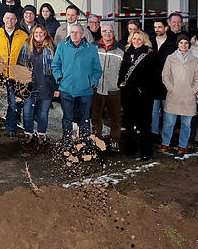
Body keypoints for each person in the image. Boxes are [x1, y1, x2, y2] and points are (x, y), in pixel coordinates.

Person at [52, 24, 102, 145]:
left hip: (85, 90)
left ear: (82, 35)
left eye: (76, 32)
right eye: (72, 32)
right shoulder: (62, 47)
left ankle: (84, 143)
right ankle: (67, 142)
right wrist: (59, 78)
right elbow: (55, 65)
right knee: (67, 118)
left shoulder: (91, 48)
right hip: (67, 89)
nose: (73, 34)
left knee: (84, 119)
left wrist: (93, 83)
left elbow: (97, 70)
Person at [118, 30, 159, 161]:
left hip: (143, 96)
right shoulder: (127, 53)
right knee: (129, 124)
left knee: (144, 125)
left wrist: (140, 88)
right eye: (134, 39)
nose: (136, 41)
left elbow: (153, 76)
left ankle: (146, 152)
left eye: (139, 39)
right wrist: (121, 82)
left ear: (144, 41)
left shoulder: (150, 55)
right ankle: (130, 149)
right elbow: (122, 70)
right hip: (128, 95)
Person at [160, 34, 198, 155]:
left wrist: (193, 90)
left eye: (186, 43)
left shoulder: (194, 60)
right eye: (181, 43)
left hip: (188, 97)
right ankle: (165, 143)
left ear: (189, 45)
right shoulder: (170, 58)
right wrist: (170, 88)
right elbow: (165, 75)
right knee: (169, 123)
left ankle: (182, 145)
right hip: (174, 95)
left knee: (186, 124)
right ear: (178, 44)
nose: (184, 45)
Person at [18, 24, 58, 144]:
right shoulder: (26, 47)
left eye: (41, 33)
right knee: (27, 113)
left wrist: (57, 87)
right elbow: (19, 68)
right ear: (33, 34)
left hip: (46, 86)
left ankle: (41, 135)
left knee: (43, 114)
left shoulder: (51, 47)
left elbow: (57, 69)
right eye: (36, 33)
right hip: (29, 88)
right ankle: (28, 134)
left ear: (45, 34)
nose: (38, 35)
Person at [0, 11, 28, 137]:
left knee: (13, 103)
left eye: (12, 19)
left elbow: (26, 55)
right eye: (7, 18)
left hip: (15, 76)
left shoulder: (23, 36)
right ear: (3, 19)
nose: (9, 21)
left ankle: (11, 129)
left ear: (16, 21)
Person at [92, 23, 124, 151]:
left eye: (110, 31)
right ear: (101, 32)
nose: (107, 33)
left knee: (115, 117)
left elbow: (125, 68)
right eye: (105, 31)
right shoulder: (93, 47)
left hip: (114, 89)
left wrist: (121, 82)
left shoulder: (121, 49)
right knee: (96, 118)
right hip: (97, 88)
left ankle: (114, 141)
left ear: (114, 33)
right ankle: (97, 141)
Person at [150, 20, 177, 136]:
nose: (157, 29)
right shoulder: (150, 42)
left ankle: (167, 135)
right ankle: (154, 133)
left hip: (168, 83)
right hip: (152, 82)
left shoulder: (173, 43)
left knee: (168, 110)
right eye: (155, 27)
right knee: (153, 110)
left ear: (166, 28)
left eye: (159, 27)